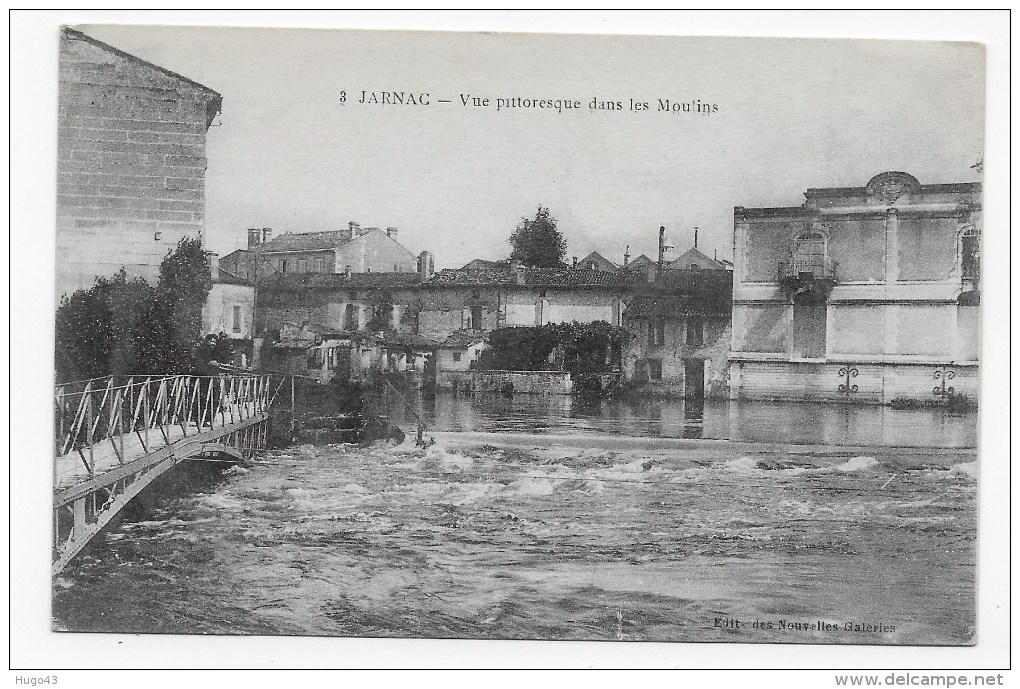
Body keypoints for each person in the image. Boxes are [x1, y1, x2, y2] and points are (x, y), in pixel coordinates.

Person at [192, 334, 222, 427]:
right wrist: (209, 363)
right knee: (202, 399)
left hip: (212, 380)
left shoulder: (215, 352)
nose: (213, 344)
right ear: (207, 341)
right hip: (203, 380)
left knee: (214, 399)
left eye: (214, 342)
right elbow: (198, 365)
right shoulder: (201, 351)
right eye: (211, 341)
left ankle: (208, 419)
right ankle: (200, 420)